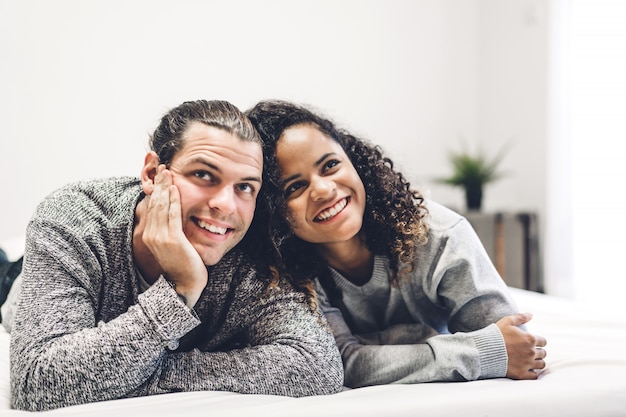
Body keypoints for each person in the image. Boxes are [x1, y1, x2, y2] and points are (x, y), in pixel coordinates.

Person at [8, 99, 343, 412]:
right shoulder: (75, 218)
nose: (226, 205)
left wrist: (154, 370)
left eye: (244, 187)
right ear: (153, 173)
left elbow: (318, 365)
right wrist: (179, 292)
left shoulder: (250, 254)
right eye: (203, 175)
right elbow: (36, 383)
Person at [245, 99, 548, 388]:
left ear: (355, 163)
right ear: (272, 213)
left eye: (330, 165)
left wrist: (374, 347)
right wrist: (440, 342)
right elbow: (342, 362)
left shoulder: (440, 237)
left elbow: (513, 345)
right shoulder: (286, 273)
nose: (323, 190)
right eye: (295, 187)